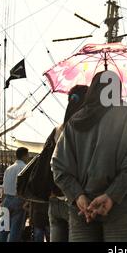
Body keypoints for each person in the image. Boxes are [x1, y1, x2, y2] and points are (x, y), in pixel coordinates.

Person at [52, 71, 127, 242]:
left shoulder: (74, 122)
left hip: (83, 209)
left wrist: (78, 196)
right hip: (123, 205)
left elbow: (59, 166)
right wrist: (111, 195)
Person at [48, 85, 88, 242]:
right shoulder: (85, 130)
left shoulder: (58, 129)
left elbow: (49, 162)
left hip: (54, 199)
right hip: (76, 200)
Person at [0, 147, 29, 242]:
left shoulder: (8, 168)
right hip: (19, 199)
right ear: (24, 155)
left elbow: (3, 187)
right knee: (16, 228)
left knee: (3, 227)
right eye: (27, 155)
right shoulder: (25, 168)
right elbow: (26, 187)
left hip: (7, 198)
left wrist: (2, 201)